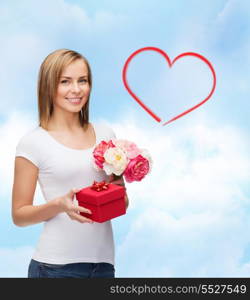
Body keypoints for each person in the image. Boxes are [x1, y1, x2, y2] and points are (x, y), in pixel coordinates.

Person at [12, 49, 129, 278]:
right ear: (48, 86)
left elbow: (122, 201)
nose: (76, 90)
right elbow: (19, 215)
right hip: (54, 268)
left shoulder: (106, 134)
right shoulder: (33, 143)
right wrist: (60, 205)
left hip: (103, 267)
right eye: (65, 81)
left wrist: (121, 191)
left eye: (82, 80)